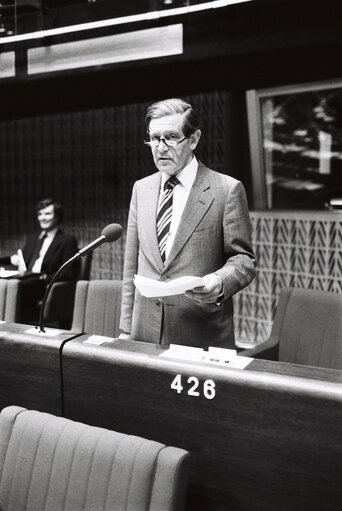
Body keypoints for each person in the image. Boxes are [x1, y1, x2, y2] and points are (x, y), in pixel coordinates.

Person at [119, 98, 256, 348]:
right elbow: (131, 266)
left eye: (170, 137)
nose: (160, 148)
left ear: (193, 139)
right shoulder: (141, 188)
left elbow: (244, 260)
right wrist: (126, 329)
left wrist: (219, 280)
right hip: (144, 333)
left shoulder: (226, 189)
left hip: (199, 333)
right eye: (154, 138)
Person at [0, 198, 80, 323]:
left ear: (57, 216)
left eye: (48, 214)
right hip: (25, 279)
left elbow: (70, 272)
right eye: (40, 214)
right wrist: (13, 260)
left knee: (12, 288)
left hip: (43, 284)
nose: (43, 218)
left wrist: (45, 278)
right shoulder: (32, 238)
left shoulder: (67, 240)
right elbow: (24, 261)